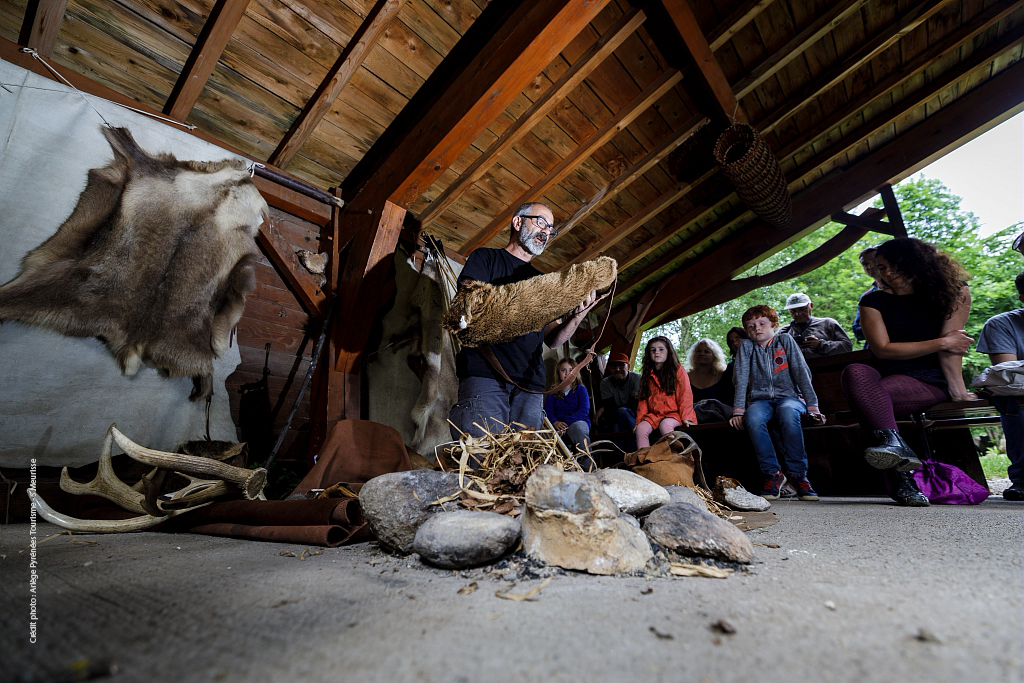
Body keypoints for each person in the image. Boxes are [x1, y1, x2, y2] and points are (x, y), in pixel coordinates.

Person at [840, 237, 974, 507]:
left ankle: (903, 476)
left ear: (914, 262)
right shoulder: (872, 302)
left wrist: (958, 389)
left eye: (893, 266)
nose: (887, 273)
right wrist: (942, 342)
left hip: (927, 377)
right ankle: (895, 447)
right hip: (884, 372)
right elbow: (883, 350)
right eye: (881, 267)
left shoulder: (953, 291)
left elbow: (953, 345)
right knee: (854, 371)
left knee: (871, 401)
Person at [448, 202, 597, 440]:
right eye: (541, 222)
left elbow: (553, 339)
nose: (546, 232)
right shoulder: (485, 258)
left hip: (530, 385)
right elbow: (469, 303)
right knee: (483, 459)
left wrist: (577, 316)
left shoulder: (543, 281)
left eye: (550, 229)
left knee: (523, 465)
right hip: (485, 375)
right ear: (518, 222)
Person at [730, 305, 824, 500]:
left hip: (790, 398)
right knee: (753, 417)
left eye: (762, 323)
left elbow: (801, 372)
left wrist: (812, 406)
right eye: (751, 326)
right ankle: (773, 474)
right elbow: (740, 377)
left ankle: (799, 476)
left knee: (789, 413)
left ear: (774, 325)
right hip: (760, 400)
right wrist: (739, 410)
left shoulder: (785, 340)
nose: (756, 328)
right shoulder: (747, 347)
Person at [975, 270, 1024, 501]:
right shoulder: (1001, 324)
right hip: (1017, 392)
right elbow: (1009, 374)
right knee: (1015, 399)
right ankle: (1022, 478)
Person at [635, 336, 697, 448]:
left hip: (674, 414)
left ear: (669, 351)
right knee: (641, 429)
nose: (656, 352)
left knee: (665, 426)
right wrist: (639, 421)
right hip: (655, 415)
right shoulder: (647, 375)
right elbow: (643, 400)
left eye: (661, 349)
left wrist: (686, 417)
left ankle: (674, 456)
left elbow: (685, 395)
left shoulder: (677, 370)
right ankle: (643, 459)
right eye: (653, 350)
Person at [778, 293, 853, 359]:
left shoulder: (828, 324)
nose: (798, 314)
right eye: (793, 311)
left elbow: (847, 346)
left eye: (802, 309)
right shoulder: (784, 332)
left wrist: (820, 345)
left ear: (811, 305)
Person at [596, 352, 641, 451]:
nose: (617, 369)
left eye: (621, 365)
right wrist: (606, 408)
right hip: (615, 419)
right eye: (613, 366)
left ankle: (635, 454)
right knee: (615, 429)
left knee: (623, 413)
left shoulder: (637, 379)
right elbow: (610, 409)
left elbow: (635, 405)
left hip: (635, 418)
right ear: (609, 368)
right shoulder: (605, 383)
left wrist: (605, 409)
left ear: (628, 366)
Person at [544, 358, 592, 453]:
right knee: (547, 434)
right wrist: (555, 422)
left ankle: (588, 465)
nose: (567, 373)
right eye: (563, 370)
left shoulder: (581, 390)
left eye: (571, 370)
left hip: (578, 421)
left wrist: (566, 424)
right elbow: (548, 411)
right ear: (558, 373)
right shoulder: (553, 392)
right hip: (558, 425)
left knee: (578, 429)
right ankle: (562, 464)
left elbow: (583, 411)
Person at [684, 338, 732, 423]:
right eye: (698, 351)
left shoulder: (723, 375)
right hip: (692, 421)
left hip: (719, 421)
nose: (702, 354)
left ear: (714, 356)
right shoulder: (685, 376)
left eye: (707, 351)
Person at [852, 247, 886, 344]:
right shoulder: (867, 296)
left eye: (873, 261)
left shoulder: (900, 289)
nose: (870, 266)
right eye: (865, 264)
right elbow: (857, 332)